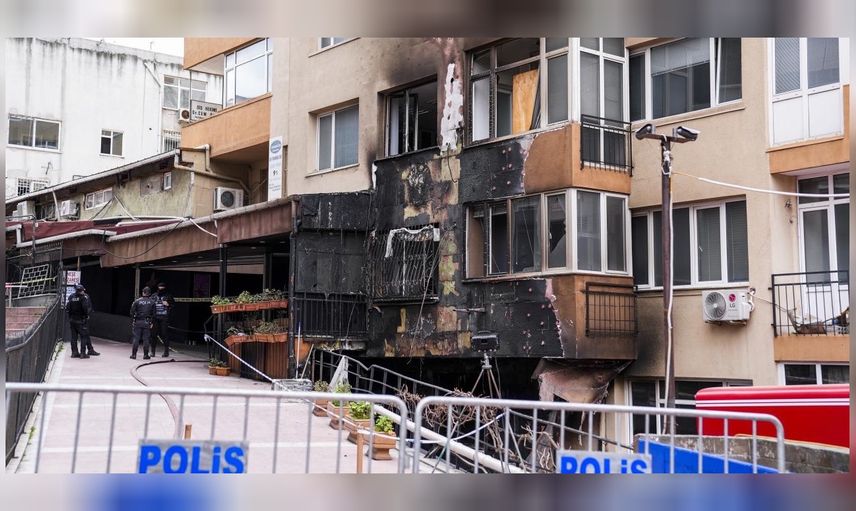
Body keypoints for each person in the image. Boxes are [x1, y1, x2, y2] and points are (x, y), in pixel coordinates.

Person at [65, 284, 100, 358]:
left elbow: (68, 308)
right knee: (84, 336)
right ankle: (83, 353)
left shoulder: (71, 297)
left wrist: (70, 317)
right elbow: (85, 308)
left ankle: (74, 352)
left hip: (72, 320)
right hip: (81, 320)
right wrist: (86, 315)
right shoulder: (83, 297)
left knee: (74, 337)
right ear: (82, 290)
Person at [130, 287, 157, 360]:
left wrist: (133, 321)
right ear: (150, 293)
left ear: (143, 292)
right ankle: (145, 355)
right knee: (146, 339)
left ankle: (133, 355)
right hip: (147, 322)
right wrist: (152, 323)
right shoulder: (152, 302)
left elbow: (132, 312)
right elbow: (154, 315)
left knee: (136, 338)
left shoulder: (137, 301)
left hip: (138, 321)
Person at [152, 282, 175, 357]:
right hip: (155, 318)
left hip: (164, 318)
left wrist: (168, 304)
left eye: (162, 287)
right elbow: (150, 305)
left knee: (164, 334)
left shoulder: (168, 295)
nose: (161, 289)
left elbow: (173, 305)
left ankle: (166, 352)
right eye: (159, 287)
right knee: (153, 335)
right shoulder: (154, 295)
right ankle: (152, 351)